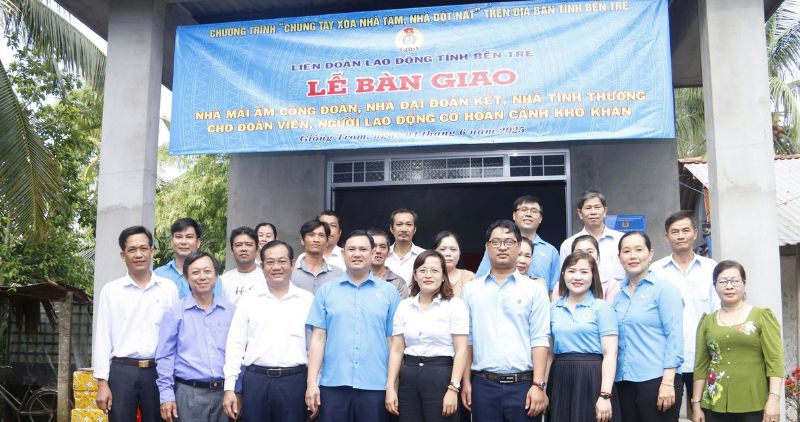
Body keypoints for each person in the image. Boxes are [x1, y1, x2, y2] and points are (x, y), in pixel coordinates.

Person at [306, 230, 402, 422]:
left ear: (372, 253)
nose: (357, 254)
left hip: (375, 385)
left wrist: (392, 386)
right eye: (351, 249)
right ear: (343, 254)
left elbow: (394, 344)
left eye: (363, 249)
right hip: (333, 384)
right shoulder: (326, 291)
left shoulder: (390, 293)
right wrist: (311, 383)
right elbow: (317, 339)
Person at [461, 220, 550, 422]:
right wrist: (466, 382)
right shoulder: (471, 290)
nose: (502, 247)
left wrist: (538, 385)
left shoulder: (534, 290)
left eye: (509, 242)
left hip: (524, 385)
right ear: (486, 247)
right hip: (483, 385)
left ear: (518, 246)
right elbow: (468, 340)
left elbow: (540, 339)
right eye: (496, 242)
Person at [93, 226, 178, 422]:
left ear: (152, 251)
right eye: (132, 250)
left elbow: (175, 336)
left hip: (158, 372)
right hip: (122, 371)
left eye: (143, 248)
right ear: (123, 255)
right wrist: (102, 383)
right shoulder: (111, 291)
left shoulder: (168, 289)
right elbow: (103, 338)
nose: (138, 254)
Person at [223, 240, 314, 422]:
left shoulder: (307, 300)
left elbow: (314, 347)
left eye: (282, 261)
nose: (276, 267)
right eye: (270, 262)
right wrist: (230, 387)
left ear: (292, 264)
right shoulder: (248, 300)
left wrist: (314, 384)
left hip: (294, 382)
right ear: (262, 266)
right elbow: (235, 345)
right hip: (256, 381)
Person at [690, 260, 784, 422]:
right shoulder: (707, 322)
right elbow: (700, 366)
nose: (729, 286)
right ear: (715, 285)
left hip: (754, 401)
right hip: (714, 403)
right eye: (723, 281)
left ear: (744, 284)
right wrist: (696, 404)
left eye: (735, 281)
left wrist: (774, 400)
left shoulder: (761, 316)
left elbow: (775, 361)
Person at [386, 250, 469, 422]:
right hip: (408, 377)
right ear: (415, 276)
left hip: (441, 376)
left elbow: (461, 350)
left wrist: (453, 388)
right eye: (422, 270)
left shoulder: (455, 305)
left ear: (443, 276)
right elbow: (397, 350)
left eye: (434, 270)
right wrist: (391, 387)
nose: (428, 275)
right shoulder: (404, 306)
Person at [652, 212, 719, 419]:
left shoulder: (711, 267)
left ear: (695, 233)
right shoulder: (656, 270)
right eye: (675, 232)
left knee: (707, 415)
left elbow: (718, 311)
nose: (680, 236)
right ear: (667, 237)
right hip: (669, 362)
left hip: (705, 357)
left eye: (685, 230)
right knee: (667, 414)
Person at [613, 231, 684, 422]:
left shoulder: (665, 290)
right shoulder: (618, 296)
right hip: (624, 381)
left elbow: (674, 337)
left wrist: (668, 382)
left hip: (657, 380)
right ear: (619, 257)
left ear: (650, 254)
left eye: (639, 249)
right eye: (626, 251)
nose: (633, 256)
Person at [155, 252, 234, 422]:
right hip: (188, 393)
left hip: (225, 393)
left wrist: (238, 390)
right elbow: (165, 356)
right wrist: (166, 395)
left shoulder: (231, 311)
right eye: (196, 272)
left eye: (207, 271)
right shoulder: (174, 312)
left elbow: (239, 353)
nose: (202, 277)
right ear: (186, 278)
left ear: (216, 275)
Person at [547, 251, 620, 422]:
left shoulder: (602, 308)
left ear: (593, 276)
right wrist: (542, 388)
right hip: (560, 377)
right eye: (571, 271)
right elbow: (548, 354)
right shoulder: (553, 309)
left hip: (592, 377)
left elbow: (610, 353)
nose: (577, 277)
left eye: (584, 272)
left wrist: (605, 395)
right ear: (563, 275)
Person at [476, 195, 560, 291]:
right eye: (524, 209)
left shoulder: (551, 251)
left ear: (540, 218)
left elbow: (555, 290)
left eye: (534, 211)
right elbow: (481, 280)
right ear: (514, 215)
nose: (528, 214)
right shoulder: (498, 247)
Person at [560, 190, 624, 281]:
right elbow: (565, 279)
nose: (593, 212)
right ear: (580, 213)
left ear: (605, 211)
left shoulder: (621, 240)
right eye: (588, 208)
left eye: (597, 207)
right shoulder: (568, 244)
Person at [155, 217, 223, 299]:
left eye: (189, 237)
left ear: (198, 242)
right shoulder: (158, 275)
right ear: (171, 242)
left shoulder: (209, 277)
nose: (183, 242)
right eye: (179, 237)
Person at [292, 220, 344, 294]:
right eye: (311, 235)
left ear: (327, 241)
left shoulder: (338, 273)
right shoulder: (291, 271)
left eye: (321, 235)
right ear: (302, 240)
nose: (316, 240)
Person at [566, 235, 621, 304]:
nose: (584, 256)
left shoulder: (611, 285)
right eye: (579, 252)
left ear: (598, 255)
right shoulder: (561, 286)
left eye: (590, 252)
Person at [221, 226, 265, 304]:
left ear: (257, 249)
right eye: (238, 245)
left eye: (249, 244)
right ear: (232, 250)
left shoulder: (267, 278)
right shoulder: (223, 280)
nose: (243, 249)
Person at [386, 208, 426, 286]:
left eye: (409, 224)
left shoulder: (424, 255)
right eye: (399, 224)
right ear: (391, 228)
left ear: (414, 229)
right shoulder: (383, 255)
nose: (404, 229)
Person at [368, 228, 411, 299]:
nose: (378, 251)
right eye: (373, 246)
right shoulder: (355, 277)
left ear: (388, 252)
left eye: (383, 247)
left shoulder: (398, 283)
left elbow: (402, 306)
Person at [433, 231, 476, 298]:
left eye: (453, 249)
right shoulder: (427, 276)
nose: (448, 254)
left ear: (459, 253)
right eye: (442, 249)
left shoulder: (469, 277)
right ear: (433, 253)